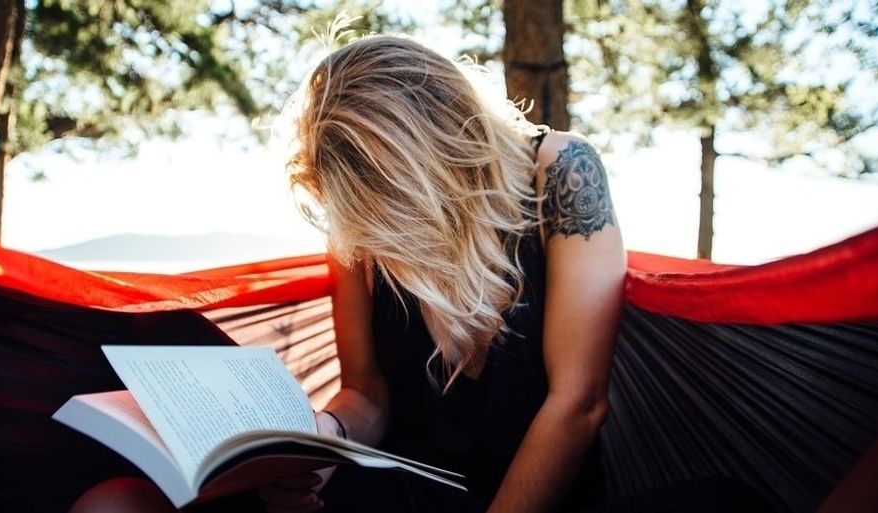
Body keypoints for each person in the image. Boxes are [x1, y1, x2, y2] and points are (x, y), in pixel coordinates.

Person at [72, 34, 774, 513]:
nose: (371, 235)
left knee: (729, 501)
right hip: (404, 488)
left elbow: (577, 402)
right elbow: (368, 391)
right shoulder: (359, 214)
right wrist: (316, 438)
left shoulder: (561, 172)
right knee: (110, 503)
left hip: (534, 493)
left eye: (385, 210)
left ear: (437, 158)